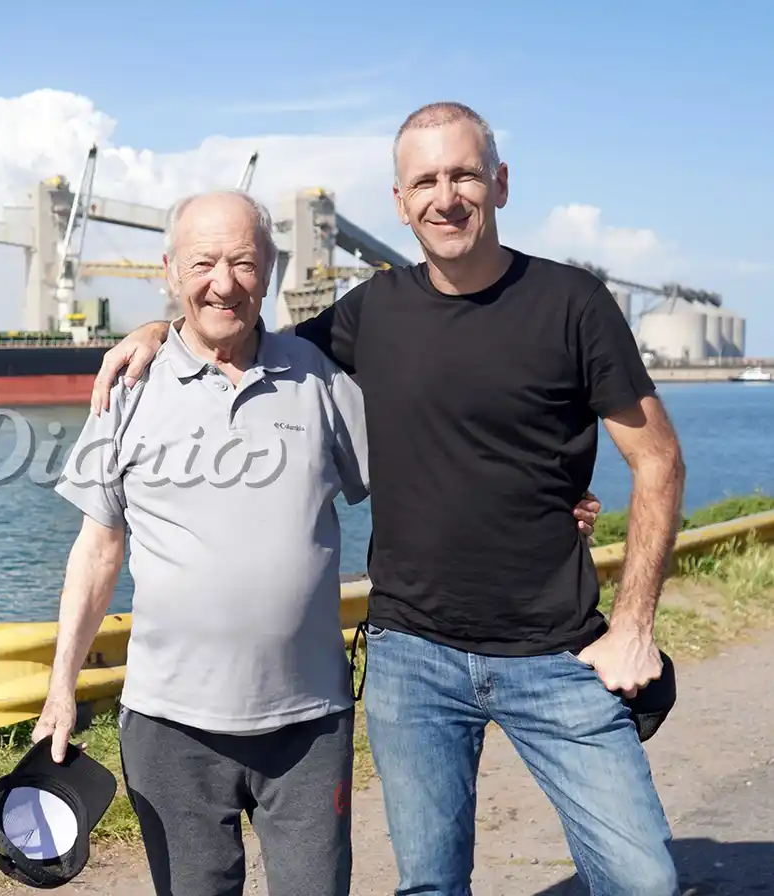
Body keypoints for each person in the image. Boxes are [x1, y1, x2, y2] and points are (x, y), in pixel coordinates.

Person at [88, 101, 684, 895]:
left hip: (559, 651)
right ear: (400, 203)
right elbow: (238, 334)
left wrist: (636, 629)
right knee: (430, 887)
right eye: (425, 181)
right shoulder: (371, 313)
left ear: (499, 183)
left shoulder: (573, 303)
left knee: (643, 881)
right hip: (414, 658)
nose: (446, 196)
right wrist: (158, 332)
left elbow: (659, 461)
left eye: (464, 174)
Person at [34, 189, 370, 895]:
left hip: (308, 724)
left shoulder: (323, 380)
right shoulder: (126, 388)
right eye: (204, 262)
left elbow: (417, 494)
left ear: (272, 269)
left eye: (245, 262)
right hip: (170, 730)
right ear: (171, 270)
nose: (224, 282)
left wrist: (555, 501)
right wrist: (60, 690)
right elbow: (97, 554)